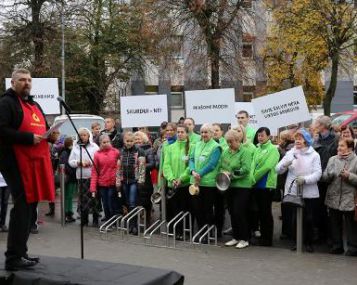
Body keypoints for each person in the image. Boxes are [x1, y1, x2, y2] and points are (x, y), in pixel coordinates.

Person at [0, 68, 55, 270]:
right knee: (23, 203)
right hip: (13, 160)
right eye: (22, 80)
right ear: (13, 83)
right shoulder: (6, 103)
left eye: (29, 80)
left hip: (34, 160)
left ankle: (21, 253)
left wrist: (51, 136)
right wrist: (28, 138)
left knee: (30, 204)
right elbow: (2, 130)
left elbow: (44, 127)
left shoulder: (34, 104)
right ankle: (13, 258)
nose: (27, 83)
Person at [276, 129, 322, 252]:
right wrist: (285, 164)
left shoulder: (314, 155)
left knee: (309, 218)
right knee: (294, 219)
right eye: (296, 138)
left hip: (309, 191)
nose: (297, 141)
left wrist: (305, 179)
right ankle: (297, 241)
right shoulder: (291, 152)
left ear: (306, 141)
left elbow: (318, 173)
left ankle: (308, 243)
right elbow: (278, 169)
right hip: (293, 191)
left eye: (300, 138)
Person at [322, 138, 357, 256]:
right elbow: (324, 177)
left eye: (342, 146)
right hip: (333, 196)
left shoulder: (356, 160)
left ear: (350, 147)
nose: (339, 148)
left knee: (350, 224)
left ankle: (353, 248)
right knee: (334, 223)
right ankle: (337, 246)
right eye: (338, 146)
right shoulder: (332, 159)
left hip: (349, 198)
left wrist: (349, 176)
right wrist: (329, 174)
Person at [221, 130, 254, 249]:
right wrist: (222, 172)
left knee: (239, 211)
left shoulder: (245, 152)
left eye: (231, 142)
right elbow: (221, 166)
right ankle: (236, 237)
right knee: (232, 212)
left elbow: (246, 169)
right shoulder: (225, 152)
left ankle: (245, 238)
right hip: (229, 186)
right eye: (227, 142)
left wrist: (232, 173)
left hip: (242, 186)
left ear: (238, 140)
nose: (229, 144)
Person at [189, 124, 222, 240]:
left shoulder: (216, 147)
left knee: (207, 210)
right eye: (202, 132)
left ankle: (208, 233)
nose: (203, 135)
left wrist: (200, 173)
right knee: (197, 209)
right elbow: (191, 159)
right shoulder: (197, 144)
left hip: (208, 184)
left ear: (212, 133)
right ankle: (201, 232)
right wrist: (193, 171)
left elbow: (212, 164)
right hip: (196, 183)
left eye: (206, 132)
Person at [250, 127, 280, 246]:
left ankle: (267, 239)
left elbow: (267, 166)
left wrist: (253, 178)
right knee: (259, 212)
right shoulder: (257, 148)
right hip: (256, 185)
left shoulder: (273, 149)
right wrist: (252, 177)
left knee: (265, 212)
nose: (260, 138)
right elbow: (253, 164)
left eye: (262, 135)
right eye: (258, 136)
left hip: (266, 185)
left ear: (268, 136)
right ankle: (262, 236)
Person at [313, 115, 338, 242]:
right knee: (319, 207)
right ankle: (320, 233)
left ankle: (331, 237)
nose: (315, 125)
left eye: (316, 123)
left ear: (322, 126)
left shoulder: (336, 139)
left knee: (331, 209)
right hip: (318, 179)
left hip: (332, 179)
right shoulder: (315, 140)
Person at [163, 125, 191, 239]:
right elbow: (166, 165)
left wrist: (181, 178)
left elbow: (190, 167)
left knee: (185, 209)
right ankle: (177, 232)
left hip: (185, 184)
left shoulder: (191, 147)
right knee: (175, 209)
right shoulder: (170, 148)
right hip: (173, 184)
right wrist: (172, 178)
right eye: (178, 132)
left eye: (182, 132)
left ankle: (186, 232)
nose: (179, 134)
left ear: (187, 134)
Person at [69, 128, 100, 226]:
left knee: (94, 198)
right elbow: (71, 161)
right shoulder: (76, 147)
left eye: (84, 135)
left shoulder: (94, 146)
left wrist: (90, 162)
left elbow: (99, 159)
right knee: (83, 199)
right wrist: (78, 163)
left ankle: (95, 219)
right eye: (81, 135)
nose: (82, 137)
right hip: (81, 177)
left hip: (93, 176)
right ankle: (84, 219)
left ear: (89, 136)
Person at [118, 132, 145, 235]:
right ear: (124, 141)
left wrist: (141, 181)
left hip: (134, 181)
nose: (129, 143)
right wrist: (118, 181)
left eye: (131, 141)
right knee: (127, 203)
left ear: (134, 141)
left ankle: (134, 225)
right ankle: (130, 225)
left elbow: (142, 167)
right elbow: (118, 168)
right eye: (127, 141)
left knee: (133, 202)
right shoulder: (121, 152)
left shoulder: (139, 151)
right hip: (124, 180)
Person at [90, 134, 120, 222]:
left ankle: (113, 219)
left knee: (111, 201)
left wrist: (118, 180)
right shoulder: (97, 154)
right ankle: (108, 219)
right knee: (105, 203)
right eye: (104, 142)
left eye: (107, 142)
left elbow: (119, 167)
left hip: (113, 182)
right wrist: (93, 187)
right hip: (102, 182)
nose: (106, 144)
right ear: (100, 143)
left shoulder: (116, 152)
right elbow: (94, 171)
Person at [134, 131, 155, 225]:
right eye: (136, 139)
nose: (137, 141)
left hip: (146, 179)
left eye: (139, 139)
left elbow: (152, 164)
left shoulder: (149, 150)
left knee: (147, 200)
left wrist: (141, 166)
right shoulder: (132, 150)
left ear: (143, 140)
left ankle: (148, 219)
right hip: (134, 178)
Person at [59, 137, 77, 223]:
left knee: (69, 196)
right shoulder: (65, 153)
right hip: (69, 178)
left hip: (71, 177)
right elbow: (65, 165)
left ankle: (69, 212)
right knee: (68, 196)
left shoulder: (68, 152)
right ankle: (67, 213)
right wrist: (72, 172)